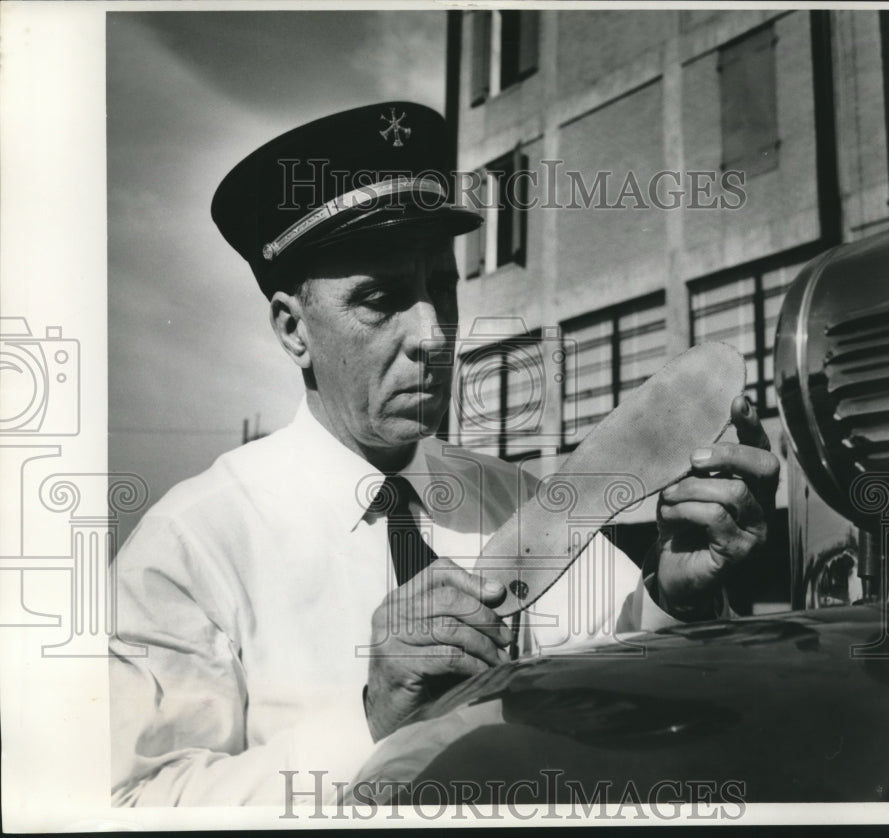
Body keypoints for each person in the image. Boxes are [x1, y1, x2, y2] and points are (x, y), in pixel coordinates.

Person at [109, 102, 779, 806]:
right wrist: (372, 715)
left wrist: (675, 596)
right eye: (382, 299)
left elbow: (613, 670)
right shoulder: (190, 547)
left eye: (442, 290)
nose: (432, 334)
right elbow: (133, 805)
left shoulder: (519, 501)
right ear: (292, 328)